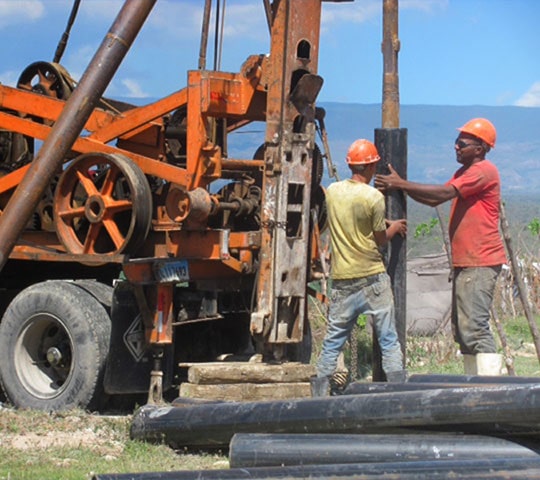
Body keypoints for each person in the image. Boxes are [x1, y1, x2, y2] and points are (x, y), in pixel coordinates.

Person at [374, 118, 507, 376]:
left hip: (479, 261)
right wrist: (402, 185)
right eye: (456, 143)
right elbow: (431, 199)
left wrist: (400, 184)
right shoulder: (464, 174)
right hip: (468, 262)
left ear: (479, 148)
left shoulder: (483, 171)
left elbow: (443, 194)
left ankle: (491, 392)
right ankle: (475, 387)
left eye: (462, 143)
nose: (456, 147)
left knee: (475, 329)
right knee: (464, 332)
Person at [312, 139, 407, 397]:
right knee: (388, 338)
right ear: (370, 166)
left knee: (333, 340)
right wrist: (395, 227)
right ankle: (398, 395)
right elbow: (379, 238)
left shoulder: (332, 192)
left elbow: (352, 218)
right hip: (372, 277)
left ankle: (318, 394)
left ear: (351, 164)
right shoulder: (374, 197)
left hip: (343, 279)